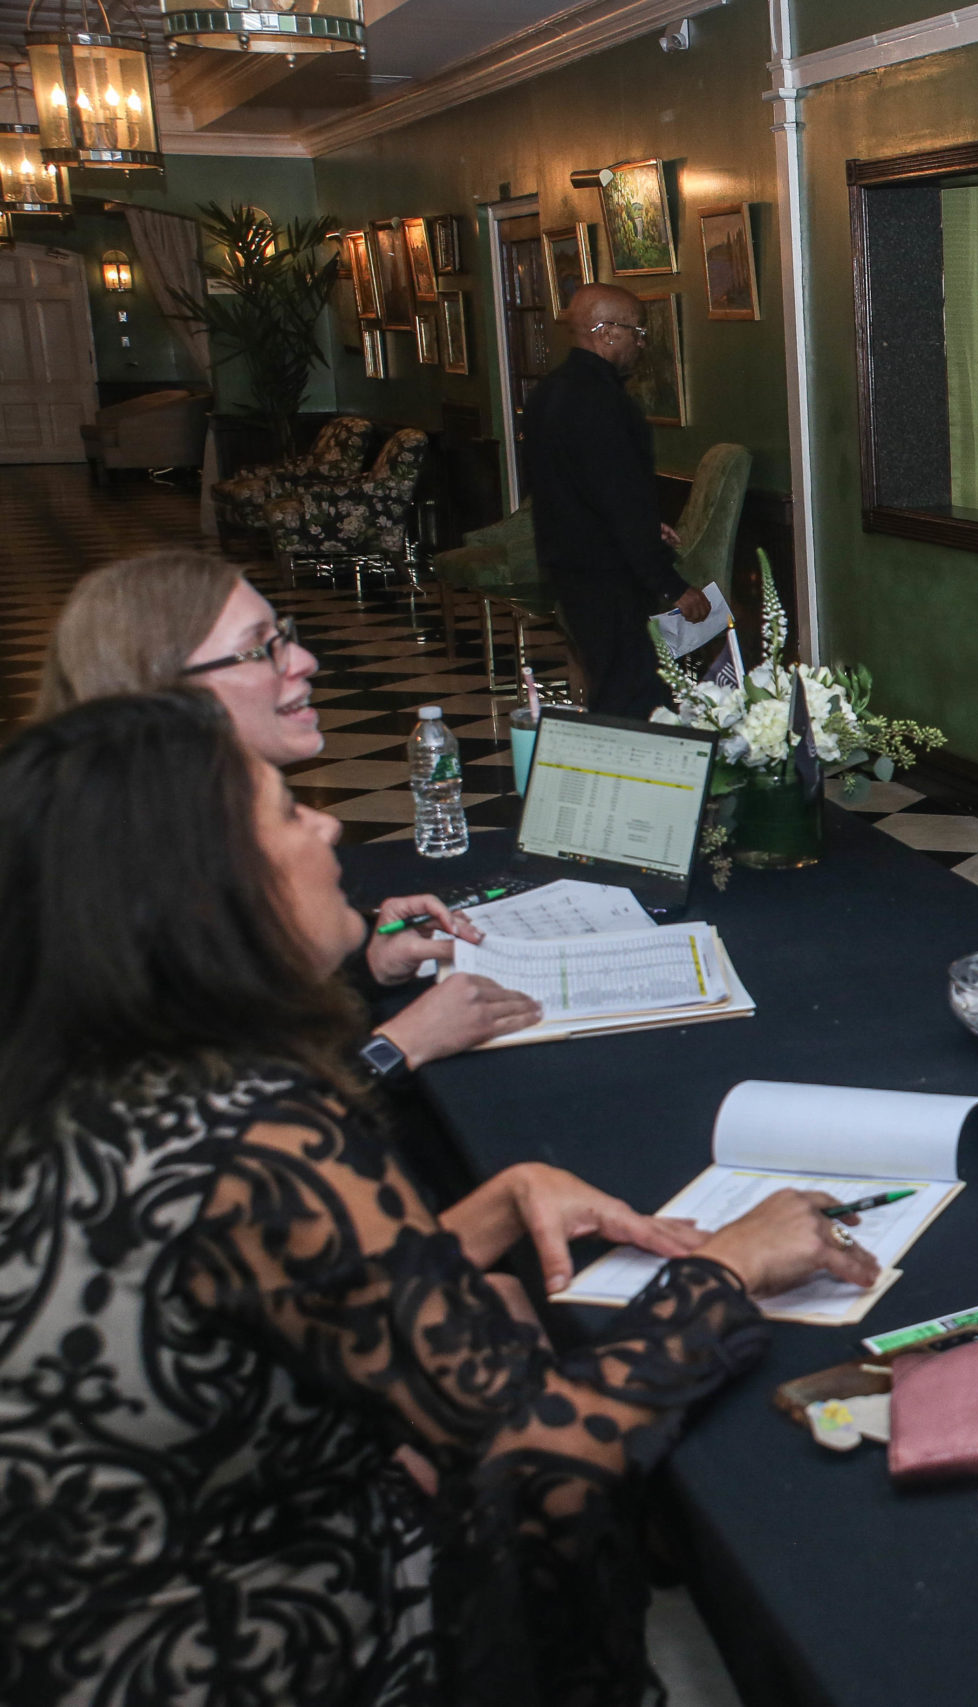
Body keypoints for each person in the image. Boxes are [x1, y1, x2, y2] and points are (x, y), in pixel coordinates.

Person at [0, 690, 880, 1704]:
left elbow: (242, 1301)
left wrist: (492, 1206)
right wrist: (726, 1268)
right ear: (206, 896)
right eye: (287, 812)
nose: (328, 825)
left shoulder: (94, 1090)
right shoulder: (258, 1134)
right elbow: (537, 1457)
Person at [39, 550, 541, 1073]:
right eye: (260, 649)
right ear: (162, 690)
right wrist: (396, 1047)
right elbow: (221, 1106)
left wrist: (368, 965)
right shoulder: (137, 895)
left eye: (284, 635)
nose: (304, 661)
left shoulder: (174, 839)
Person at [524, 282, 710, 719]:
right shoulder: (602, 400)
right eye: (637, 332)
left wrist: (646, 525)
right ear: (607, 332)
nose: (641, 344)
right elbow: (618, 497)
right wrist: (671, 585)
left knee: (611, 683)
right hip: (608, 573)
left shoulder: (548, 392)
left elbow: (578, 488)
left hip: (569, 566)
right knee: (633, 697)